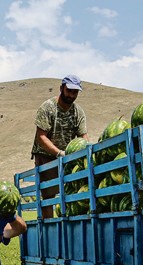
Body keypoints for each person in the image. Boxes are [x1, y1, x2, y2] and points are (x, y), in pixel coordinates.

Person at [31, 75, 88, 218]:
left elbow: (83, 137)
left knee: (72, 189)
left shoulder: (78, 112)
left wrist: (85, 151)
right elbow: (41, 137)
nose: (71, 95)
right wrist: (59, 153)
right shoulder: (48, 107)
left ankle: (68, 220)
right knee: (49, 194)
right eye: (69, 91)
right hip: (46, 155)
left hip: (68, 156)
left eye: (75, 92)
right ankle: (50, 226)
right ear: (61, 88)